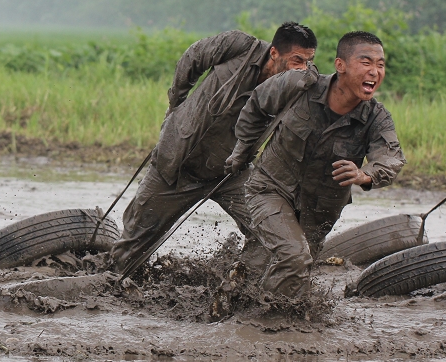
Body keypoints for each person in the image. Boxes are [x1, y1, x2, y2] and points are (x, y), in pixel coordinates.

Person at [108, 23, 318, 276]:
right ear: (274, 53)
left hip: (231, 173)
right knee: (132, 244)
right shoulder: (238, 46)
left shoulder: (301, 84)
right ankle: (113, 286)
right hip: (176, 165)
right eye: (297, 60)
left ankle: (239, 285)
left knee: (273, 233)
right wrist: (177, 103)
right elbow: (192, 58)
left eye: (308, 61)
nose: (302, 67)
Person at [227, 30, 406, 298]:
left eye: (380, 65)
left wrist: (364, 175)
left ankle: (232, 301)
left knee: (275, 268)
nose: (374, 72)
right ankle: (260, 318)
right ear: (340, 65)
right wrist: (243, 151)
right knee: (295, 258)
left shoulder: (376, 118)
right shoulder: (299, 85)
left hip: (318, 212)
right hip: (270, 189)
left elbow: (391, 158)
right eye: (366, 62)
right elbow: (257, 105)